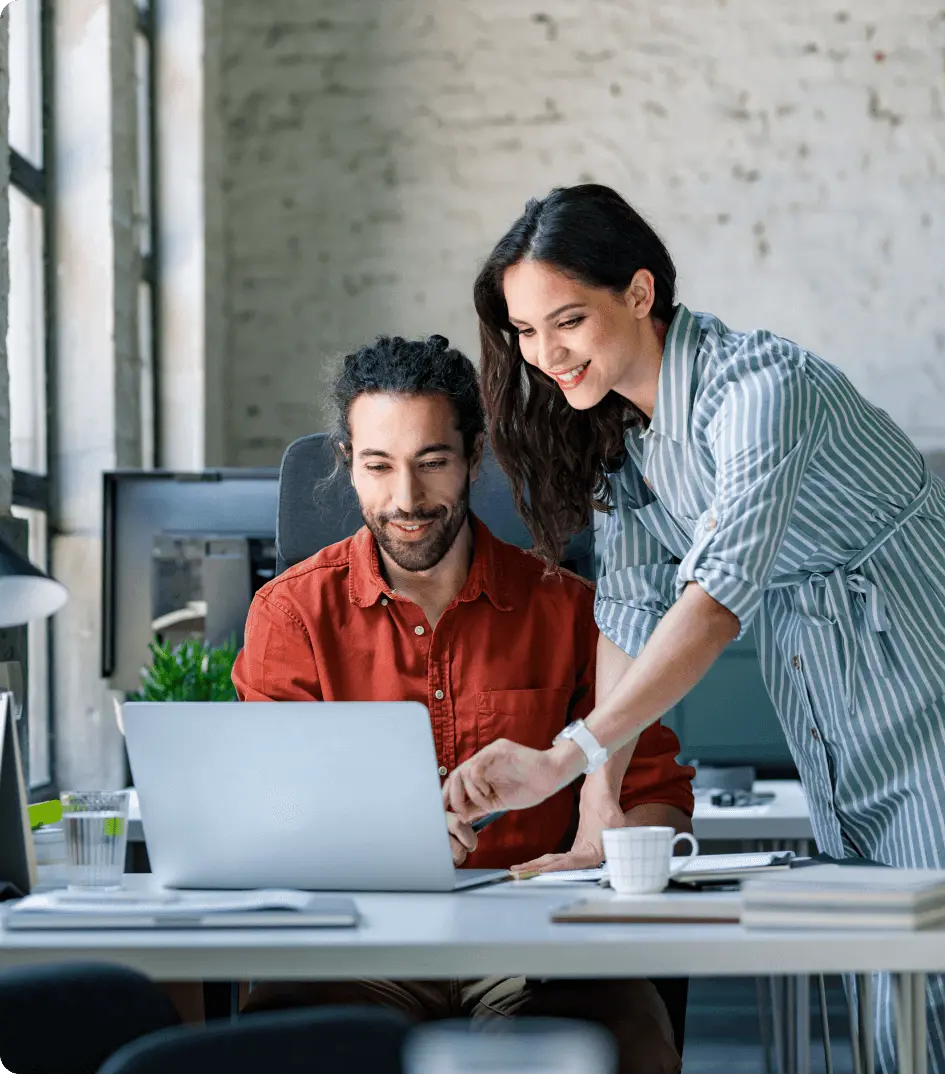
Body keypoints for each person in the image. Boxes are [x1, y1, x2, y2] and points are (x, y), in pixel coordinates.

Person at [444, 184, 945, 1075]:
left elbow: (710, 605)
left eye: (568, 320)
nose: (546, 353)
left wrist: (562, 755)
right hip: (834, 684)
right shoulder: (623, 431)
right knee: (882, 968)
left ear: (639, 292)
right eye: (524, 331)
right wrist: (597, 807)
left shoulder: (760, 389)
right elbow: (632, 607)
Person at [231, 333, 691, 1075]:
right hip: (356, 950)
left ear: (475, 458)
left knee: (628, 1043)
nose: (406, 499)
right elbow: (262, 818)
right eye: (379, 466)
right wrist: (391, 842)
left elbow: (658, 796)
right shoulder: (291, 617)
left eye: (432, 462)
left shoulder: (570, 611)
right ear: (349, 464)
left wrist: (619, 843)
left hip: (535, 950)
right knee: (278, 1049)